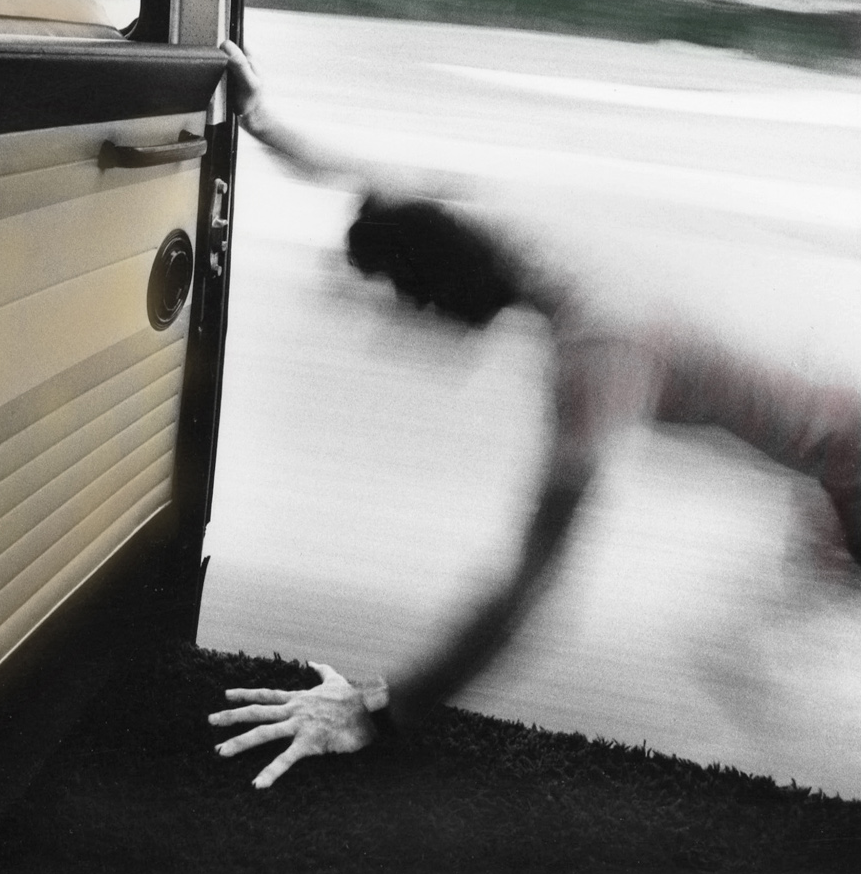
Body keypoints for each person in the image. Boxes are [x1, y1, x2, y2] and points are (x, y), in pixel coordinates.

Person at [208, 40, 861, 790]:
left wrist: (375, 712)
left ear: (446, 278)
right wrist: (263, 121)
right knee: (752, 639)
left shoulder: (603, 346)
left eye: (416, 302)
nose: (418, 322)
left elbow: (530, 584)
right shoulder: (497, 218)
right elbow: (375, 178)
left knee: (753, 640)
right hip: (831, 410)